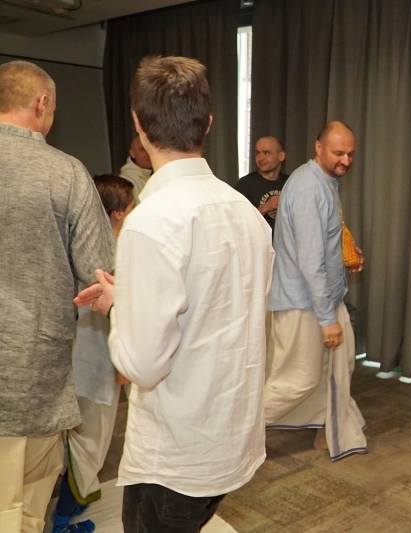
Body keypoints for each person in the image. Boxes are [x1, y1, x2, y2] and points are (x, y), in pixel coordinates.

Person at [74, 55, 274, 533]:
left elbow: (142, 365)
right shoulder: (245, 212)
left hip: (177, 453)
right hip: (230, 435)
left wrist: (121, 311)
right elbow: (218, 311)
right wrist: (129, 300)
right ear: (208, 123)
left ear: (139, 124)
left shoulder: (150, 221)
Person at [0, 60, 115, 533]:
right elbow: (98, 272)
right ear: (41, 103)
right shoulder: (64, 172)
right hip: (32, 370)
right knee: (23, 501)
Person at [264, 120, 367, 459]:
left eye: (350, 153)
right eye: (338, 153)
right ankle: (231, 433)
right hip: (303, 303)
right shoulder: (309, 187)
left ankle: (328, 429)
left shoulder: (323, 181)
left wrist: (344, 256)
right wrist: (327, 319)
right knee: (300, 379)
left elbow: (322, 243)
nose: (346, 160)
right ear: (319, 148)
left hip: (321, 297)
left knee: (336, 369)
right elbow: (310, 260)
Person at [51, 175, 135, 533]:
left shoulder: (74, 244)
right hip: (95, 364)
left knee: (76, 443)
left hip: (72, 362)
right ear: (117, 214)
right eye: (132, 206)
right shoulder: (111, 258)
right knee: (89, 448)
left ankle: (67, 506)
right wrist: (124, 366)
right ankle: (61, 522)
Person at [234, 135, 289, 230]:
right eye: (258, 153)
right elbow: (237, 223)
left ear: (281, 156)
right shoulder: (245, 184)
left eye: (266, 153)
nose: (260, 158)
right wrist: (264, 208)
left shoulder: (289, 183)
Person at [119, 135, 153, 200]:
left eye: (149, 149)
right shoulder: (126, 180)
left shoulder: (155, 175)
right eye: (142, 150)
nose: (147, 154)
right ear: (132, 153)